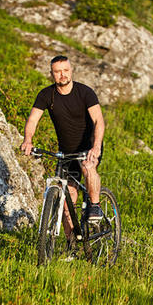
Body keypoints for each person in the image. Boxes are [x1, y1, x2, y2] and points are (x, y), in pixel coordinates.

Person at [20, 55, 105, 246]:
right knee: (68, 200)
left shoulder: (85, 92)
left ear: (71, 70)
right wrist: (28, 140)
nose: (62, 75)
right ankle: (71, 243)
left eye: (65, 70)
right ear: (51, 74)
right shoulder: (46, 95)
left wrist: (96, 146)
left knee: (89, 168)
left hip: (88, 147)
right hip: (65, 152)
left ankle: (95, 206)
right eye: (57, 71)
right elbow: (33, 120)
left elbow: (99, 121)